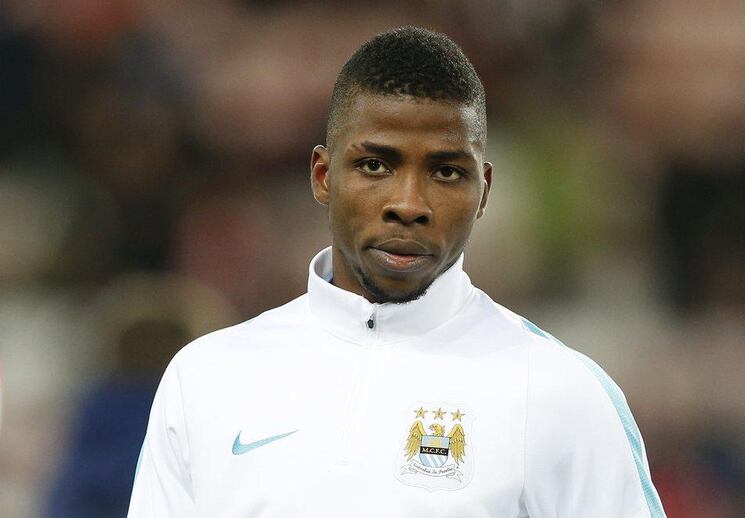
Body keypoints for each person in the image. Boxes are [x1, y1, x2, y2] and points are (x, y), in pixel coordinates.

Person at [128, 27, 666, 517]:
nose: (408, 203)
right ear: (323, 176)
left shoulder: (560, 392)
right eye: (375, 165)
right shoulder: (206, 379)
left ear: (484, 192)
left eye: (447, 171)